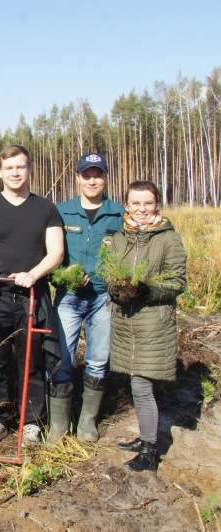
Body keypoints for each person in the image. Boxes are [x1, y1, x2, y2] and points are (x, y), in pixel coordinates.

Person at [0, 145, 64, 447]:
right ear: (0, 172)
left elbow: (57, 253)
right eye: (9, 168)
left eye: (20, 167)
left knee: (31, 360)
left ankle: (31, 422)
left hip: (33, 295)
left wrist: (33, 274)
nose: (14, 173)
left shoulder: (45, 208)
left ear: (29, 169)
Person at [108, 180, 186, 472]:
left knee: (141, 385)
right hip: (126, 322)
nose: (142, 209)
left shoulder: (168, 239)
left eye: (148, 203)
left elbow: (177, 281)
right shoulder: (121, 237)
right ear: (126, 205)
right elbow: (110, 272)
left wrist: (146, 290)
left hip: (153, 323)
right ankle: (145, 437)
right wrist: (115, 289)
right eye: (136, 203)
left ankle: (150, 451)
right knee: (135, 381)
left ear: (157, 205)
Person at [49, 153, 126, 443]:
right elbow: (50, 255)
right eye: (86, 175)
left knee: (97, 360)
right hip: (68, 296)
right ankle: (58, 426)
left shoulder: (119, 214)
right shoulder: (62, 212)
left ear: (105, 177)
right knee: (62, 359)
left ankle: (87, 423)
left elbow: (127, 257)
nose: (92, 180)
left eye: (98, 174)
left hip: (102, 298)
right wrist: (65, 275)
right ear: (78, 178)